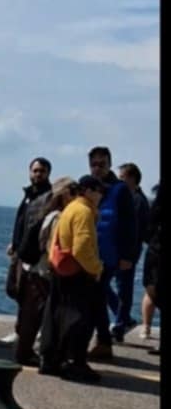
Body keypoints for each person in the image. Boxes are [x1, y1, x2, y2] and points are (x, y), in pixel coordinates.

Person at [38, 175, 104, 383]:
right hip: (78, 273)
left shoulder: (70, 208)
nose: (101, 196)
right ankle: (75, 363)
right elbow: (81, 247)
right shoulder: (84, 211)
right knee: (80, 319)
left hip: (61, 270)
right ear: (89, 191)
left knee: (56, 315)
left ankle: (51, 360)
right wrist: (96, 267)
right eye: (99, 191)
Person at [13, 177, 76, 366]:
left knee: (31, 314)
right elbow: (50, 246)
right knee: (36, 315)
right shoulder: (57, 217)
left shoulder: (45, 213)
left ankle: (25, 351)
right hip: (42, 270)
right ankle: (26, 353)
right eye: (73, 191)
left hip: (33, 269)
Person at [86, 147, 136, 361]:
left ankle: (103, 342)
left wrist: (127, 256)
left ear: (109, 164)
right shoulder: (89, 187)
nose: (98, 168)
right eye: (94, 164)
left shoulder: (120, 190)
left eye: (102, 164)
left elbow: (130, 224)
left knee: (97, 296)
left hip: (110, 255)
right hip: (90, 254)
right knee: (96, 298)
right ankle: (101, 341)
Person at [0, 157, 52, 347]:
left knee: (33, 296)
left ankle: (29, 333)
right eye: (35, 170)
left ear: (48, 173)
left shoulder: (48, 197)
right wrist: (14, 243)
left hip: (35, 255)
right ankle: (21, 330)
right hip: (20, 251)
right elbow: (21, 222)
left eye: (42, 171)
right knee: (16, 290)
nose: (38, 174)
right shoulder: (29, 195)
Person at [108, 163, 149, 342]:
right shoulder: (126, 198)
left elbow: (136, 231)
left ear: (132, 178)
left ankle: (120, 324)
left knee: (124, 288)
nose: (119, 181)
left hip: (127, 251)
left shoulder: (138, 201)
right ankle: (124, 319)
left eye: (122, 178)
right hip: (116, 249)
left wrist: (129, 255)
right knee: (106, 285)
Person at [141, 182, 161, 355]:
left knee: (152, 289)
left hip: (156, 251)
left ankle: (146, 327)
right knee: (152, 289)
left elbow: (149, 228)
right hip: (156, 250)